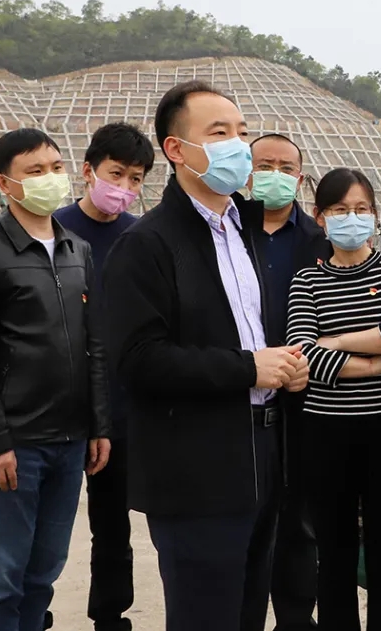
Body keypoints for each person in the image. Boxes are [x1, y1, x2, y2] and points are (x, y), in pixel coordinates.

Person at [102, 80, 309, 631]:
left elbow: (253, 330)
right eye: (219, 134)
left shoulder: (246, 232)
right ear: (176, 149)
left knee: (248, 614)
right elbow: (138, 360)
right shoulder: (147, 244)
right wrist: (249, 368)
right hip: (196, 467)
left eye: (242, 132)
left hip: (264, 454)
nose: (238, 146)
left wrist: (285, 365)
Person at [0, 128, 111, 631]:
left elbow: (95, 345)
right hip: (14, 444)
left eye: (55, 167)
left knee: (43, 574)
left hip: (69, 441)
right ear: (5, 183)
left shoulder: (77, 249)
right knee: (0, 580)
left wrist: (98, 424)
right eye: (34, 171)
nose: (50, 179)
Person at [285, 167, 381, 631]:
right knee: (334, 552)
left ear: (375, 214)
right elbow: (303, 353)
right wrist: (371, 363)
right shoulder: (307, 280)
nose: (352, 217)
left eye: (362, 209)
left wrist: (338, 342)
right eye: (341, 209)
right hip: (326, 431)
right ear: (320, 217)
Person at [54, 122, 155, 631]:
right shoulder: (51, 229)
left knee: (112, 523)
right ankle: (31, 612)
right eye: (116, 174)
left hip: (117, 405)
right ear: (88, 170)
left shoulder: (140, 237)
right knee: (43, 523)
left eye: (135, 179)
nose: (124, 188)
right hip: (56, 401)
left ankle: (110, 616)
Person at [247, 133, 331, 631]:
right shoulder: (228, 232)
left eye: (285, 167)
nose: (275, 175)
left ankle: (297, 620)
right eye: (265, 165)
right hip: (243, 394)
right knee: (248, 520)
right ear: (248, 171)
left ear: (299, 178)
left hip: (306, 394)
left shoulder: (319, 241)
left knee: (300, 518)